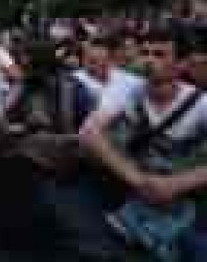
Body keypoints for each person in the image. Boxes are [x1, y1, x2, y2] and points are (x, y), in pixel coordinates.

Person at [79, 29, 207, 261]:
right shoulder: (129, 89)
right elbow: (89, 133)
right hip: (128, 197)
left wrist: (175, 184)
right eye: (145, 53)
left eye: (159, 54)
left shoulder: (201, 103)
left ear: (181, 65)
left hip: (182, 203)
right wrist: (138, 180)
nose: (148, 60)